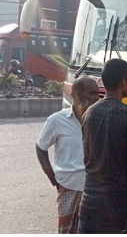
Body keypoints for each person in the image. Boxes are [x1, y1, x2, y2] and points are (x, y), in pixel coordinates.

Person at [78, 58, 127, 233]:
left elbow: (87, 158)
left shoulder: (89, 113)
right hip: (116, 208)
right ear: (123, 80)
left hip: (88, 203)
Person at [35, 77, 99, 233]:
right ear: (76, 94)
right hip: (68, 186)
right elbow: (40, 147)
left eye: (98, 93)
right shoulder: (57, 120)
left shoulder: (99, 119)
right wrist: (51, 176)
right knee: (66, 231)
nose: (96, 97)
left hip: (94, 189)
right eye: (91, 93)